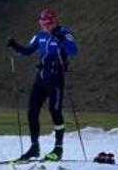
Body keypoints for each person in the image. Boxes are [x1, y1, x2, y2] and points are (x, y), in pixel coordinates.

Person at [7, 8, 78, 161]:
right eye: (42, 23)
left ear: (54, 21)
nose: (45, 26)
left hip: (56, 77)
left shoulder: (64, 33)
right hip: (41, 77)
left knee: (55, 111)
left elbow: (73, 51)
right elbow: (27, 51)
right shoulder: (39, 36)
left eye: (48, 23)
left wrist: (62, 40)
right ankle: (34, 147)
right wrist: (15, 46)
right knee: (32, 111)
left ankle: (58, 148)